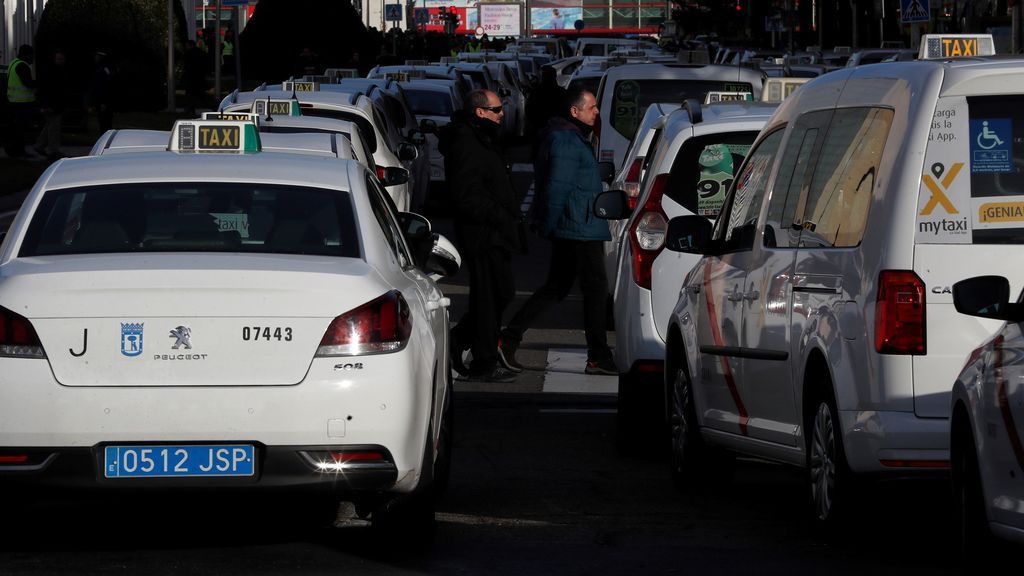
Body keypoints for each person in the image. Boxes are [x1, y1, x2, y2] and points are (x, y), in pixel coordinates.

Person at [498, 88, 617, 376]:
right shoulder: (565, 140)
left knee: (558, 287)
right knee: (594, 289)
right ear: (574, 112)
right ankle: (598, 356)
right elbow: (556, 187)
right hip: (577, 227)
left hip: (578, 224)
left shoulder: (569, 136)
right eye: (591, 107)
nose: (597, 112)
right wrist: (547, 224)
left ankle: (509, 338)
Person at [438, 89, 524, 383]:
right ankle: (483, 361)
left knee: (499, 293)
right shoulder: (466, 141)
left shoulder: (481, 137)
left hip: (493, 232)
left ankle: (459, 341)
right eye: (497, 109)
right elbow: (466, 194)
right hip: (482, 233)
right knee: (490, 296)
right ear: (480, 112)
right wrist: (498, 214)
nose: (503, 114)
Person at [34, 49, 70, 159]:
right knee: (53, 127)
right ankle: (53, 150)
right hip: (52, 104)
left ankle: (40, 145)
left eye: (62, 59)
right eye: (59, 59)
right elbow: (49, 90)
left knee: (50, 125)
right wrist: (47, 105)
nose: (61, 61)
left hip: (53, 104)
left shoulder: (54, 71)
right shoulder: (53, 72)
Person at [5, 44, 37, 158]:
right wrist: (39, 84)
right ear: (27, 55)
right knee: (20, 130)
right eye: (31, 56)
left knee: (14, 129)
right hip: (21, 103)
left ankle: (12, 150)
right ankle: (20, 151)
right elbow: (27, 83)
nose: (32, 58)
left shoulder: (13, 63)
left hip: (12, 101)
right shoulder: (22, 66)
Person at [89, 51, 114, 134]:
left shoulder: (105, 68)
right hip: (99, 100)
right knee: (101, 121)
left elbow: (108, 85)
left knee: (105, 121)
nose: (95, 58)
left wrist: (104, 102)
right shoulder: (98, 68)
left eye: (97, 56)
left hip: (104, 101)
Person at [183, 39, 209, 116]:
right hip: (199, 76)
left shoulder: (188, 53)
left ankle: (190, 109)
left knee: (190, 94)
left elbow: (187, 65)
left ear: (190, 45)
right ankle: (212, 106)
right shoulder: (201, 52)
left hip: (191, 77)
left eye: (187, 46)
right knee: (200, 94)